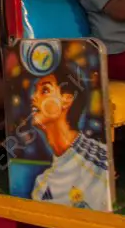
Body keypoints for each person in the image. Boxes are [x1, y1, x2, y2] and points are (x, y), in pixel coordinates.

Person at [28, 73, 110, 210]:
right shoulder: (41, 185)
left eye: (45, 90)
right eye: (35, 91)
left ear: (67, 100)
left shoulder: (100, 160)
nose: (33, 97)